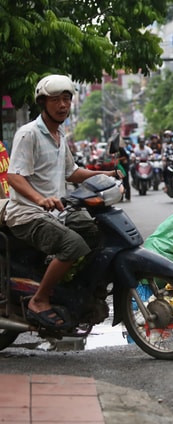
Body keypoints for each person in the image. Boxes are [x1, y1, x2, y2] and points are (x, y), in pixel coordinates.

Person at [5, 74, 120, 328]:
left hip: (57, 211)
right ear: (43, 103)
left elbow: (73, 173)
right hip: (27, 214)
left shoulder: (59, 134)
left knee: (98, 233)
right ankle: (40, 299)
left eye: (66, 99)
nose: (62, 105)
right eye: (55, 100)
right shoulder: (29, 134)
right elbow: (14, 176)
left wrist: (105, 175)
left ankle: (69, 286)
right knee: (74, 245)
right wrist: (40, 198)